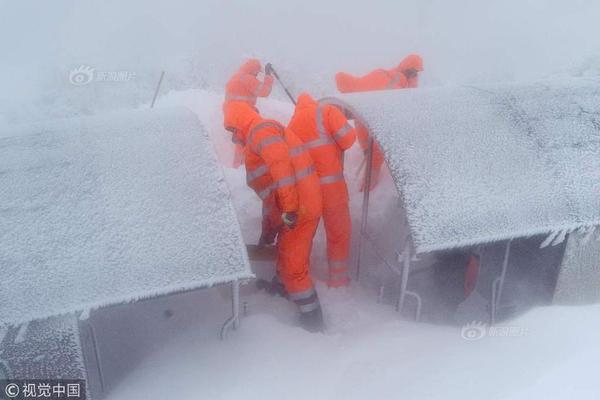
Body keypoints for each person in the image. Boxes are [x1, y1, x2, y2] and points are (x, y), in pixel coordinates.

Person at [223, 101, 324, 332]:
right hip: (298, 205)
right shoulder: (256, 141)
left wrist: (289, 209)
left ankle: (313, 319)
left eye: (231, 130)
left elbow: (282, 168)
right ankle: (282, 287)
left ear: (239, 126)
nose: (232, 138)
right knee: (286, 250)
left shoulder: (261, 130)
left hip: (300, 208)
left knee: (293, 267)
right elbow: (270, 197)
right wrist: (268, 231)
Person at [288, 93, 356, 288]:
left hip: (307, 192)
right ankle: (338, 279)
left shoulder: (292, 126)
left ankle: (302, 279)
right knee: (338, 233)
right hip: (332, 189)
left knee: (304, 236)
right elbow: (349, 139)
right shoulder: (326, 111)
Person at [335, 54, 424, 191]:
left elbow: (344, 80)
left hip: (367, 123)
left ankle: (364, 192)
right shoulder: (399, 91)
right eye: (414, 75)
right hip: (374, 127)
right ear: (412, 74)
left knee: (373, 154)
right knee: (374, 157)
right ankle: (366, 191)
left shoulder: (380, 73)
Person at [223, 59, 275, 167]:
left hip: (230, 114)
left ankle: (237, 166)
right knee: (252, 136)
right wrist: (268, 76)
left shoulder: (235, 77)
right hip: (242, 112)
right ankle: (243, 165)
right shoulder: (247, 78)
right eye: (256, 72)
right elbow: (264, 91)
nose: (256, 75)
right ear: (253, 70)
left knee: (241, 139)